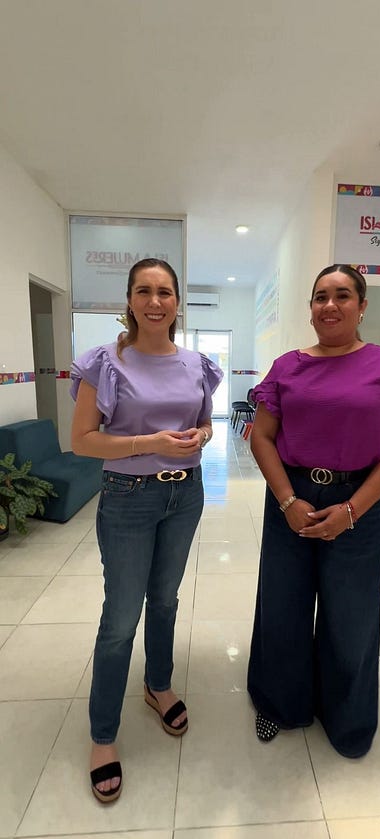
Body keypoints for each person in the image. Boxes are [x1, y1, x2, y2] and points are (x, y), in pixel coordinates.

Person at [247, 264, 380, 758]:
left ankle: (347, 717)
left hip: (360, 501)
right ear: (310, 309)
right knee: (283, 607)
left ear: (362, 306)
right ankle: (280, 703)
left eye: (343, 295)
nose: (330, 305)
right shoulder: (287, 367)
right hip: (292, 497)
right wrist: (288, 501)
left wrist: (352, 510)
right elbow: (261, 437)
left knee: (350, 616)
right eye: (320, 296)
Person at [70, 258, 223, 802]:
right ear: (130, 300)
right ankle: (103, 735)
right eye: (143, 291)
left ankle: (158, 685)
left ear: (177, 301)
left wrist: (200, 437)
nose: (155, 302)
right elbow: (82, 441)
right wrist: (149, 443)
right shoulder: (105, 362)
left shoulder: (197, 363)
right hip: (128, 498)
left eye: (164, 292)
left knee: (165, 599)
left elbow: (205, 422)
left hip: (186, 494)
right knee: (120, 617)